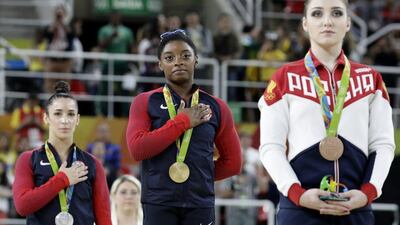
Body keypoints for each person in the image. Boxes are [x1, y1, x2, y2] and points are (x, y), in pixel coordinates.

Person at [258, 0, 395, 224]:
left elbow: (383, 144)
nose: (327, 21)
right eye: (317, 14)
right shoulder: (284, 78)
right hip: (299, 211)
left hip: (356, 211)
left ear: (348, 23)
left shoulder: (370, 79)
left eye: (337, 13)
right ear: (305, 23)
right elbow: (271, 147)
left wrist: (367, 192)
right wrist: (297, 194)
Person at [126, 29, 242, 225]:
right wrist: (182, 122)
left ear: (196, 59)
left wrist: (199, 176)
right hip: (158, 202)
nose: (178, 61)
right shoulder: (144, 101)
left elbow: (233, 163)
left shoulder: (217, 106)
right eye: (169, 57)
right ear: (160, 64)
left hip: (200, 203)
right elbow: (137, 149)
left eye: (185, 56)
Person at [12, 81, 111, 225]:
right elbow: (22, 206)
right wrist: (63, 179)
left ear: (77, 119)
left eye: (70, 114)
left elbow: (104, 219)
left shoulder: (92, 163)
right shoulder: (28, 159)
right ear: (46, 118)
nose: (64, 120)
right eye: (57, 114)